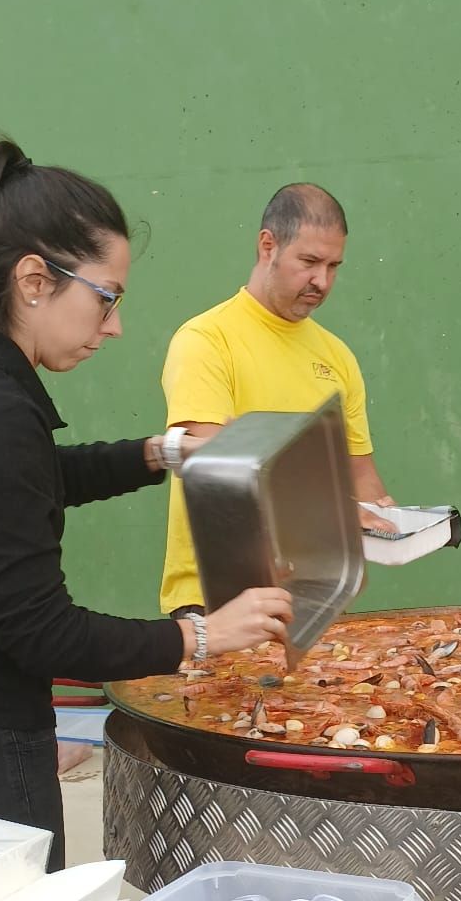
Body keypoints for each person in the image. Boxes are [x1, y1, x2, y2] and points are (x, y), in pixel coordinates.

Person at [0, 141, 292, 868]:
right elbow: (41, 633)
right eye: (107, 297)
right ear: (34, 280)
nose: (115, 325)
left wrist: (160, 453)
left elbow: (19, 486)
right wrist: (201, 636)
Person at [160, 182, 395, 616]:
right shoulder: (206, 341)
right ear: (268, 245)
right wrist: (332, 517)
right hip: (217, 602)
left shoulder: (338, 356)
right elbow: (218, 476)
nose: (322, 280)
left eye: (334, 266)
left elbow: (360, 474)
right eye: (309, 262)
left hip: (315, 601)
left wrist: (391, 524)